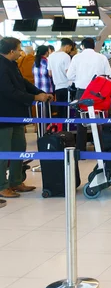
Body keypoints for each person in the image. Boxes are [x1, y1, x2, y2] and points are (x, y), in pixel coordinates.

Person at [0, 37, 53, 199]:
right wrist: (34, 98)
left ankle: (16, 181)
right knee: (4, 152)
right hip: (4, 116)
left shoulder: (12, 65)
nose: (21, 52)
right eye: (19, 49)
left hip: (17, 115)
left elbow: (22, 83)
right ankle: (2, 186)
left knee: (19, 148)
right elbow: (9, 91)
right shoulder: (1, 67)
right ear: (11, 51)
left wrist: (39, 92)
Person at [48, 38, 75, 118]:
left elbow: (50, 73)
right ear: (67, 46)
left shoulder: (51, 56)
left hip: (57, 87)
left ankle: (60, 128)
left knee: (60, 110)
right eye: (70, 48)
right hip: (66, 87)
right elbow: (68, 73)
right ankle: (66, 128)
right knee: (66, 110)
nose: (70, 50)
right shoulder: (66, 56)